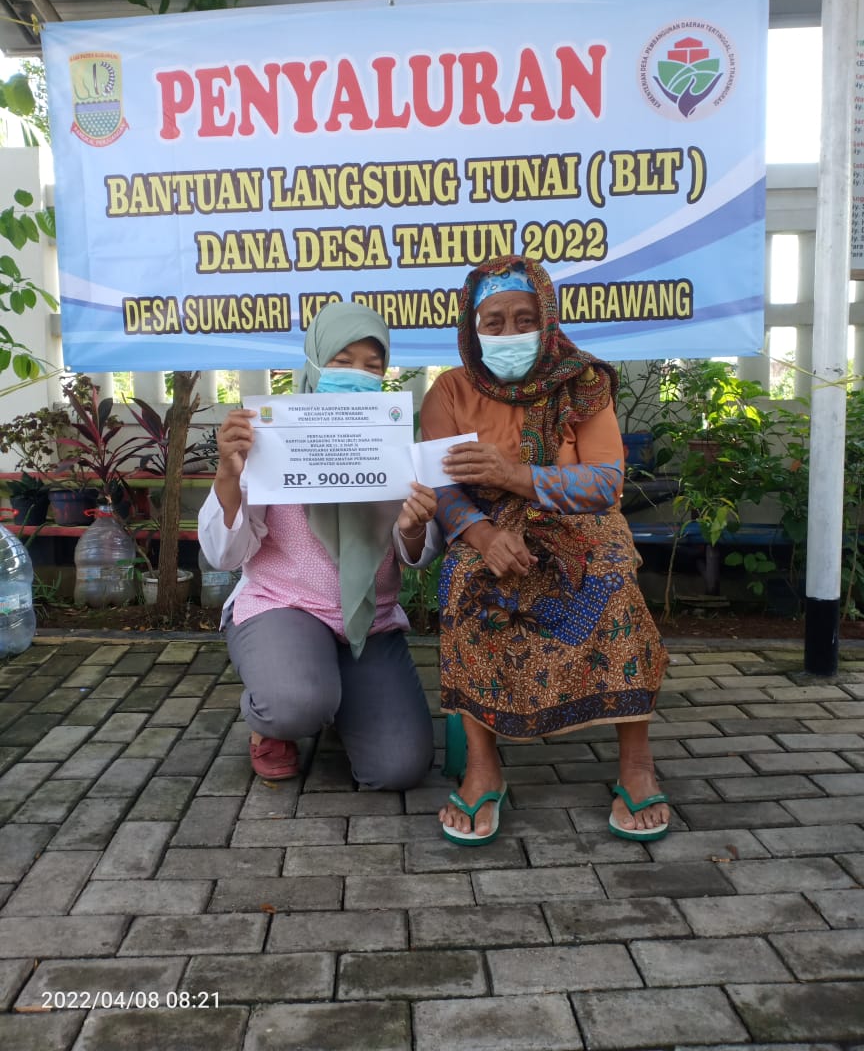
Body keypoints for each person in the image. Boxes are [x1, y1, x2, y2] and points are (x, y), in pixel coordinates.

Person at [420, 255, 670, 845]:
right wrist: (484, 537)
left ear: (548, 319)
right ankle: (484, 766)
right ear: (472, 328)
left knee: (612, 575)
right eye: (494, 322)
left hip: (577, 522)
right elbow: (443, 488)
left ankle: (636, 764)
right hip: (488, 526)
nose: (509, 333)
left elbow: (604, 483)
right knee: (464, 579)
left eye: (524, 319)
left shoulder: (583, 385)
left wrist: (515, 474)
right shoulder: (449, 391)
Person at [198, 301, 438, 789]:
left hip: (369, 619)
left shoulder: (396, 441)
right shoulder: (269, 436)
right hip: (283, 605)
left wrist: (414, 526)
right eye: (342, 361)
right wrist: (228, 475)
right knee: (294, 702)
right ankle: (273, 723)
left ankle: (334, 702)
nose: (358, 375)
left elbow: (416, 554)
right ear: (312, 362)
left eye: (373, 366)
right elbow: (223, 555)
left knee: (400, 767)